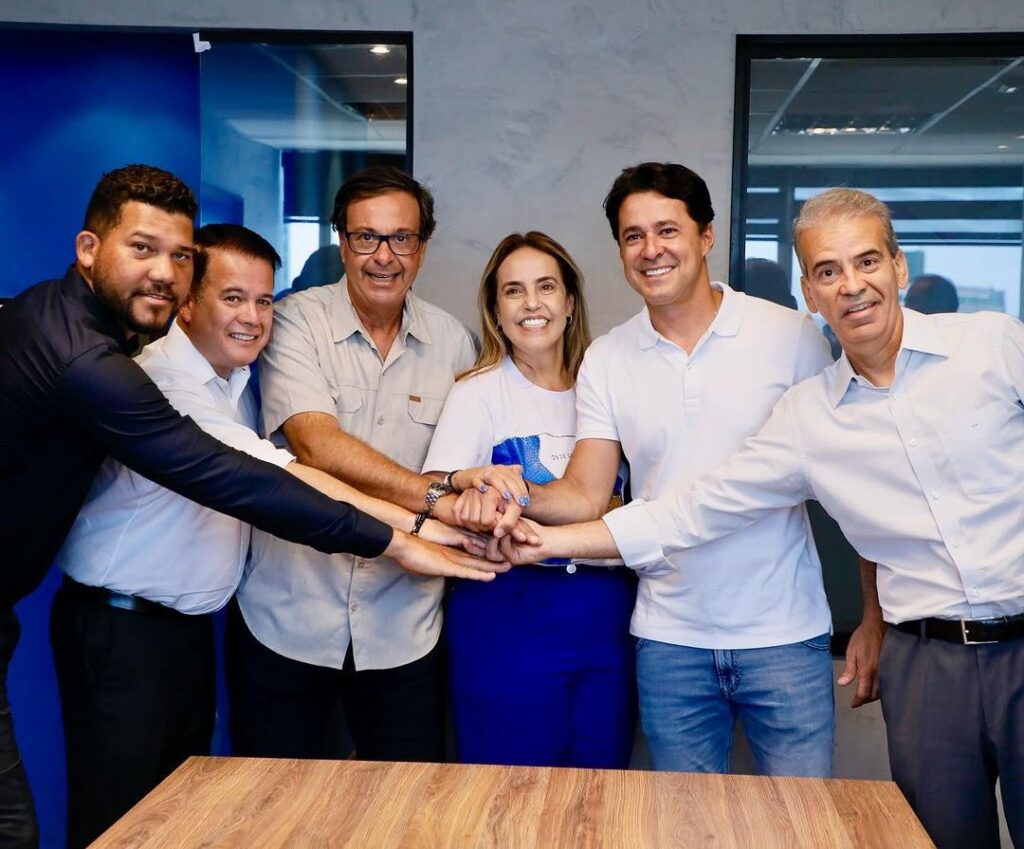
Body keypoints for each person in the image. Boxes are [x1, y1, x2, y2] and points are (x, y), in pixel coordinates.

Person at [503, 187, 1024, 849]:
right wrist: (543, 540)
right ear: (810, 292)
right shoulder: (809, 418)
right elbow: (693, 510)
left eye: (866, 261)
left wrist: (867, 616)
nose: (851, 285)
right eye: (828, 271)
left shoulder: (992, 345)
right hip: (924, 663)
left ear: (898, 266)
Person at [0, 165, 500, 848]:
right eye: (232, 296)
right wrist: (408, 534)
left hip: (190, 634)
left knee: (172, 823)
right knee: (118, 825)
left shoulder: (227, 375)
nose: (253, 316)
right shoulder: (142, 373)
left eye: (263, 300)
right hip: (125, 632)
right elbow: (268, 476)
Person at [474, 163, 884, 779]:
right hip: (669, 641)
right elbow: (585, 492)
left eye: (667, 229)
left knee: (802, 821)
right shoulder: (608, 358)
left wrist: (873, 617)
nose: (651, 249)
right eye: (633, 236)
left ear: (706, 236)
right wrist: (501, 495)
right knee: (683, 823)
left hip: (784, 634)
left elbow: (855, 490)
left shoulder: (790, 336)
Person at [230, 166, 508, 763]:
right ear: (342, 241)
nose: (384, 256)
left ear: (422, 247)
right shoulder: (294, 322)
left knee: (405, 802)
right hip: (288, 618)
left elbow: (465, 471)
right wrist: (430, 500)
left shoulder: (455, 344)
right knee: (277, 803)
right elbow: (317, 446)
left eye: (401, 238)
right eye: (366, 237)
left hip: (404, 626)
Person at [422, 232, 636, 768]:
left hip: (607, 614)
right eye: (513, 291)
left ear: (570, 302)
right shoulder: (477, 392)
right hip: (506, 614)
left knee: (601, 786)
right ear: (496, 312)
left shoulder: (607, 386)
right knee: (508, 791)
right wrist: (472, 494)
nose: (531, 303)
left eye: (546, 287)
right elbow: (432, 492)